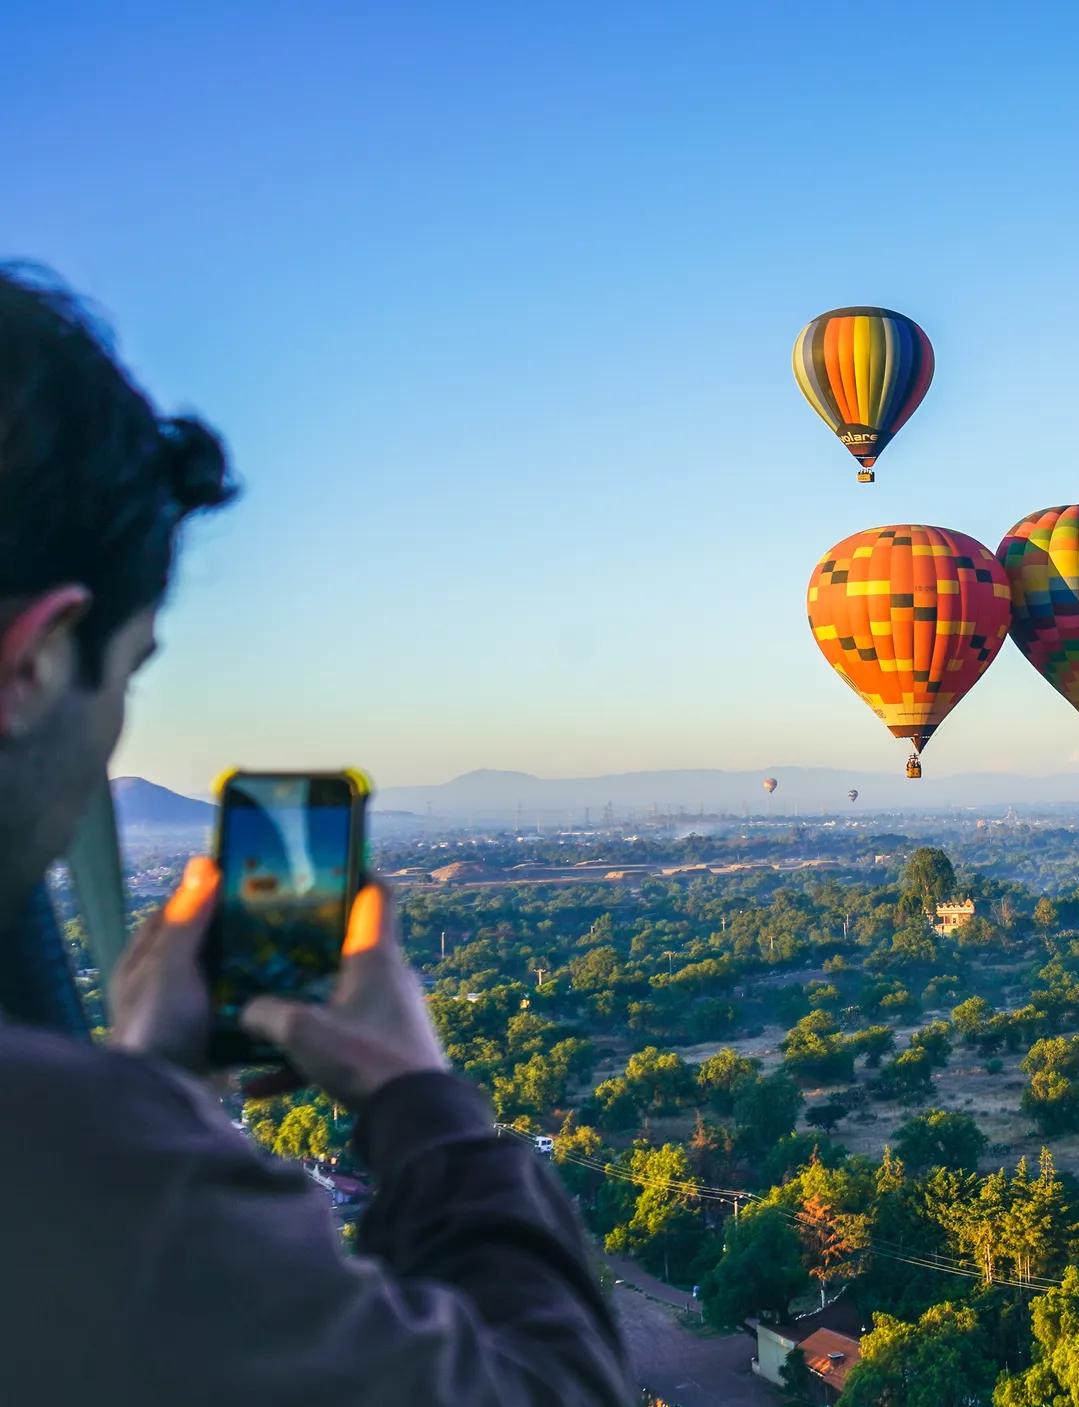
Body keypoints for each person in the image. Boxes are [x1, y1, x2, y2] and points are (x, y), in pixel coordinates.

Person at [0, 264, 633, 1404]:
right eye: (130, 674)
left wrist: (157, 1094)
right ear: (39, 659)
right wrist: (418, 1100)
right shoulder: (58, 1161)